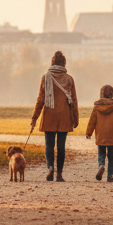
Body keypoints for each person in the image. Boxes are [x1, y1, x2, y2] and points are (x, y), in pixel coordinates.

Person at [30, 50, 78, 181]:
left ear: (52, 62)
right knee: (61, 147)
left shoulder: (46, 77)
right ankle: (59, 174)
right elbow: (73, 100)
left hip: (49, 115)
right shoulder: (69, 79)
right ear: (64, 63)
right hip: (64, 116)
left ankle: (50, 167)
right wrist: (75, 119)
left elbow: (40, 99)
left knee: (49, 145)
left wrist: (34, 118)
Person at [85, 84, 113, 182]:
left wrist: (89, 133)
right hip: (112, 134)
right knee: (111, 155)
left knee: (101, 153)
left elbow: (92, 120)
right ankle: (109, 176)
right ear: (112, 94)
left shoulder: (97, 107)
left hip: (101, 134)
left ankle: (101, 165)